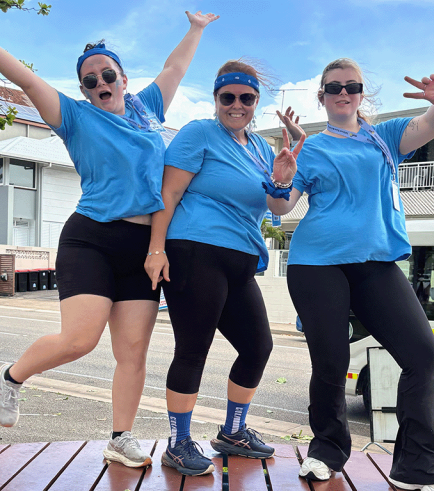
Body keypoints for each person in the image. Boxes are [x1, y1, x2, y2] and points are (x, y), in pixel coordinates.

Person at [0, 11, 218, 469]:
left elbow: (175, 68)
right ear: (83, 89)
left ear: (122, 78)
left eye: (107, 75)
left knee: (133, 351)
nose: (100, 82)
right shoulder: (74, 117)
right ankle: (12, 375)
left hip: (143, 247)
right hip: (91, 238)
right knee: (80, 339)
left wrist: (196, 29)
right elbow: (20, 75)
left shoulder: (148, 108)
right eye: (89, 80)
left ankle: (121, 438)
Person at [267, 58, 434, 490]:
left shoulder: (385, 137)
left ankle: (418, 468)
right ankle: (326, 451)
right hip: (317, 264)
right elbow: (281, 209)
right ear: (321, 96)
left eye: (351, 86)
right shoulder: (312, 148)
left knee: (421, 355)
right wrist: (280, 182)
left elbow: (431, 123)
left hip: (375, 263)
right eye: (333, 87)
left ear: (361, 94)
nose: (343, 92)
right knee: (332, 361)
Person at [145, 60, 304, 476]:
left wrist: (284, 178)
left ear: (255, 102)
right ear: (216, 98)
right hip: (195, 249)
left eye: (246, 98)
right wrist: (156, 249)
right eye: (227, 97)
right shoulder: (199, 133)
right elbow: (170, 192)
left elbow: (276, 207)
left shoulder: (258, 149)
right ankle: (179, 443)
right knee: (194, 349)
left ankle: (232, 432)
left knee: (258, 346)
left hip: (241, 259)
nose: (237, 104)